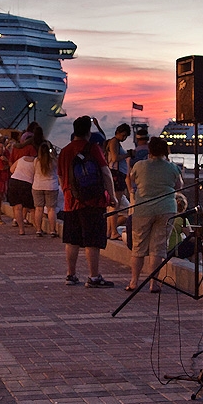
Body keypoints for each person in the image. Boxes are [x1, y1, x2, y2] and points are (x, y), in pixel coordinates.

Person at [57, 115, 117, 288]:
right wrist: (111, 196)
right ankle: (94, 277)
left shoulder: (65, 151)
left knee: (72, 240)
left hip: (71, 201)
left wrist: (68, 193)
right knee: (92, 240)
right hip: (93, 201)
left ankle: (71, 275)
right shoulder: (93, 148)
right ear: (88, 132)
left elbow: (61, 177)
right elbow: (106, 173)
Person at [125, 137, 183, 293]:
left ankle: (134, 282)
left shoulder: (139, 165)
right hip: (166, 210)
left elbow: (131, 179)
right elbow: (179, 186)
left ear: (149, 150)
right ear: (165, 151)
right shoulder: (172, 167)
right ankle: (154, 284)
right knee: (157, 248)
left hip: (142, 209)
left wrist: (134, 191)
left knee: (138, 247)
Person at [105, 123, 131, 240]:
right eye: (123, 135)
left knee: (113, 205)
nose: (124, 138)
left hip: (114, 174)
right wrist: (128, 154)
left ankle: (110, 231)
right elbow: (115, 158)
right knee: (115, 205)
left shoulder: (113, 142)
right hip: (116, 175)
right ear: (118, 132)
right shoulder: (114, 142)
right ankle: (113, 231)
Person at [32, 141, 60, 238]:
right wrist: (53, 154)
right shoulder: (53, 161)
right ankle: (52, 230)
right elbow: (58, 168)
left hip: (38, 186)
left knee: (38, 209)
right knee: (51, 209)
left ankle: (38, 229)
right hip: (51, 186)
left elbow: (34, 171)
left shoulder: (36, 161)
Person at [8, 145, 36, 235]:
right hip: (26, 184)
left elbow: (11, 169)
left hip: (14, 181)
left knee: (17, 207)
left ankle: (21, 230)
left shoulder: (21, 159)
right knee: (32, 208)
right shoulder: (36, 162)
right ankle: (38, 228)